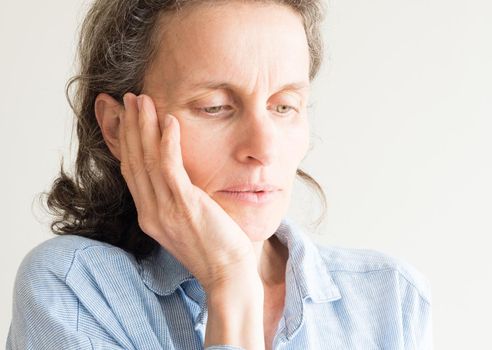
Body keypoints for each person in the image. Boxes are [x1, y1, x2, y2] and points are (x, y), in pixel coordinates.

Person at [6, 0, 432, 349]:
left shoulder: (391, 299)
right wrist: (230, 279)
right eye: (214, 107)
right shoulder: (76, 288)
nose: (262, 149)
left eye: (284, 106)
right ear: (118, 127)